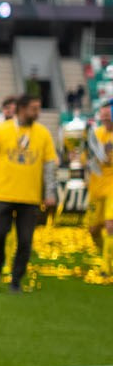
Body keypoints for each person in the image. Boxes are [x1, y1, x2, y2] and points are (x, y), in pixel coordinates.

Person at [0, 92, 58, 292]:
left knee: (25, 241)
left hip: (29, 198)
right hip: (1, 195)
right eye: (34, 108)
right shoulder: (0, 131)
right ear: (22, 109)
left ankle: (16, 279)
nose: (37, 112)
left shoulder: (43, 133)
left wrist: (50, 193)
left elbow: (49, 167)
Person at [85, 100, 113, 274]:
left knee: (111, 225)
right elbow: (86, 159)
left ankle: (106, 266)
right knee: (93, 230)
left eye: (107, 114)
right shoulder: (95, 135)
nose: (104, 117)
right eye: (102, 114)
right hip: (96, 187)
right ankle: (107, 255)